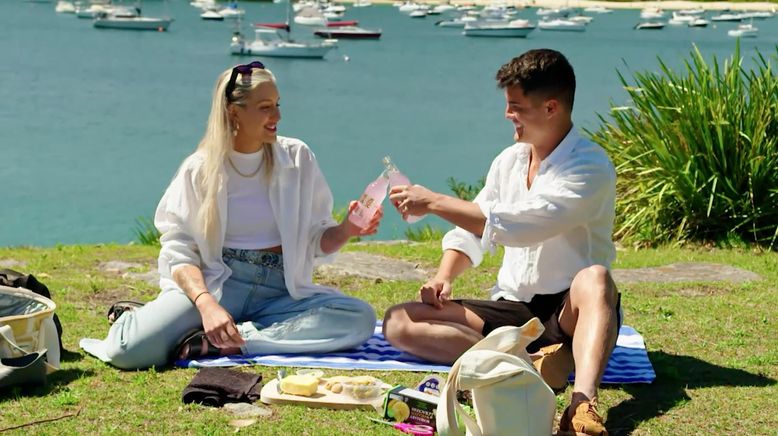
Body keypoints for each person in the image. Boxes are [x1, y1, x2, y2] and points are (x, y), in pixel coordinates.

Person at [383, 49, 620, 436]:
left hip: (571, 308)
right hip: (514, 309)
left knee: (595, 278)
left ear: (551, 107)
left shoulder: (589, 166)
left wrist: (434, 202)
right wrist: (445, 275)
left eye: (516, 107)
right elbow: (473, 226)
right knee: (399, 322)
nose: (507, 115)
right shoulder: (509, 161)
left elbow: (522, 226)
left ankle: (581, 404)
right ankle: (526, 363)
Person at [101, 61, 380, 370]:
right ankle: (142, 318)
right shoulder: (200, 169)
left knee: (360, 320)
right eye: (265, 107)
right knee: (128, 351)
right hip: (220, 284)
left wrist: (348, 229)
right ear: (234, 112)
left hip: (282, 291)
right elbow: (179, 252)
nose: (277, 116)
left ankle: (236, 340)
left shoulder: (297, 158)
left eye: (277, 105)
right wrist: (206, 305)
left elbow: (316, 240)